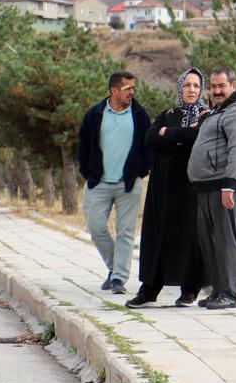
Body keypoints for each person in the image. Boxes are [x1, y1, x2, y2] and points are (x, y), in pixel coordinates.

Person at [126, 68, 211, 309]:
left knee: (188, 237)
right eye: (187, 85)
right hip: (162, 187)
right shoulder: (168, 113)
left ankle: (189, 289)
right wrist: (178, 137)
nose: (191, 90)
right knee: (157, 236)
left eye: (196, 86)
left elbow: (196, 136)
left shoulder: (206, 115)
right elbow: (150, 138)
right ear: (180, 88)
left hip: (190, 187)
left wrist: (169, 135)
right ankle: (150, 289)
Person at [187, 66, 236, 309]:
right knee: (210, 242)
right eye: (213, 86)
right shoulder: (217, 111)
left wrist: (229, 186)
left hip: (223, 188)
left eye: (221, 86)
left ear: (233, 86)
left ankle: (231, 293)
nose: (216, 91)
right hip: (205, 187)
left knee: (226, 241)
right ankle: (218, 290)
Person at [77, 71, 151, 295]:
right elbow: (83, 145)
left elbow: (148, 145)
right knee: (95, 226)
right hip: (98, 182)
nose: (132, 92)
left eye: (133, 89)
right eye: (128, 88)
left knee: (125, 232)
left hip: (128, 183)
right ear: (114, 90)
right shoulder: (95, 114)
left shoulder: (139, 115)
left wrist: (142, 171)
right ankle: (113, 267)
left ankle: (119, 277)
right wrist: (87, 172)